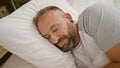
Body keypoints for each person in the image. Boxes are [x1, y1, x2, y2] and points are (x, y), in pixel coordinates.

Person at [33, 4, 120, 68]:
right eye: (47, 37)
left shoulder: (92, 16)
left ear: (68, 18)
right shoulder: (70, 60)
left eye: (55, 29)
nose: (54, 40)